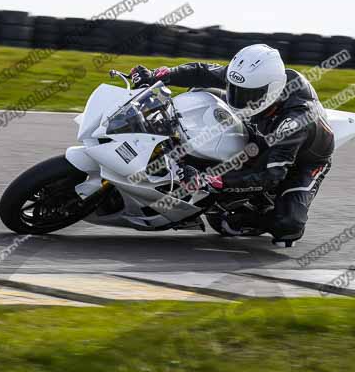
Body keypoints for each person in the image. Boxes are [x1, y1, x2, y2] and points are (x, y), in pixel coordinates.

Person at [130, 44, 334, 244]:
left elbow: (271, 176)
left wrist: (211, 180)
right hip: (260, 129)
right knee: (201, 89)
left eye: (247, 95)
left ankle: (245, 218)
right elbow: (202, 72)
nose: (237, 98)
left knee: (288, 226)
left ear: (272, 90)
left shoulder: (295, 121)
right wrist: (157, 75)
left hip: (303, 160)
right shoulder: (253, 78)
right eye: (234, 89)